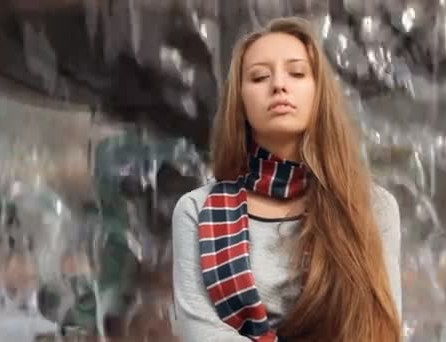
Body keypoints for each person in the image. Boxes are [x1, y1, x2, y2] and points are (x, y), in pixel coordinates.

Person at [172, 16, 402, 342]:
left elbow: (381, 329)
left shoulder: (372, 207)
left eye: (296, 73)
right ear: (240, 102)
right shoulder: (196, 210)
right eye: (259, 76)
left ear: (320, 93)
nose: (279, 85)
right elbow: (199, 331)